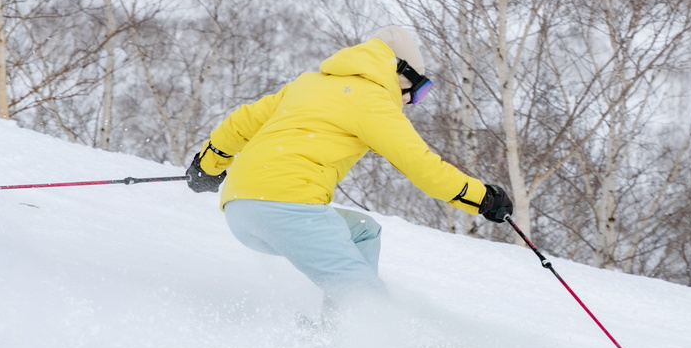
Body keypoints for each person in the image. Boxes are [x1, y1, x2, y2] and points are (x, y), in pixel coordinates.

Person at [185, 25, 513, 326]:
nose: (413, 100)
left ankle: (340, 338)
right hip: (288, 208)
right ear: (401, 74)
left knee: (363, 232)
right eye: (419, 90)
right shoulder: (372, 102)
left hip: (241, 209)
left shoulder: (307, 84)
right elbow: (422, 166)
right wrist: (483, 198)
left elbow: (240, 123)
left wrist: (207, 166)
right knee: (363, 296)